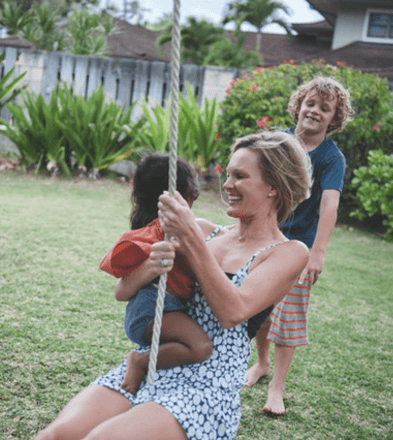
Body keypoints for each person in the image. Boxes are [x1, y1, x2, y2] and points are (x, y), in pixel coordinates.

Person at [34, 131, 312, 440]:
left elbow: (233, 311)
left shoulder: (287, 253)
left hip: (206, 387)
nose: (227, 185)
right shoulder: (204, 229)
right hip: (153, 363)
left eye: (240, 176)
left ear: (274, 186)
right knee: (55, 436)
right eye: (228, 174)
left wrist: (191, 241)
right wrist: (153, 255)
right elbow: (127, 282)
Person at [244, 76, 353, 416]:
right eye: (310, 104)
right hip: (265, 236)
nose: (315, 111)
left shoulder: (331, 158)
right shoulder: (277, 141)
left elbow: (329, 205)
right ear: (298, 106)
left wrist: (317, 252)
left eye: (325, 108)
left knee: (288, 316)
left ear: (334, 119)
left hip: (299, 247)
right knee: (260, 307)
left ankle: (277, 387)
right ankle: (260, 364)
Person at [99, 155, 213, 395]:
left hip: (156, 310)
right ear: (183, 196)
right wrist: (151, 265)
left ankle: (149, 365)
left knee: (194, 348)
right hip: (152, 309)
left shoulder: (173, 230)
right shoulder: (162, 233)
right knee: (200, 347)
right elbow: (121, 292)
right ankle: (139, 362)